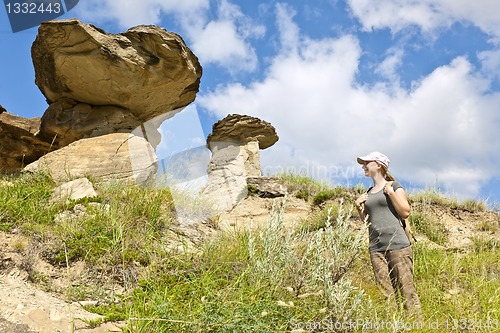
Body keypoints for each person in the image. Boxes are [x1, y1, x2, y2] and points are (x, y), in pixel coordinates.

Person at [355, 152, 423, 320]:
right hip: (376, 249)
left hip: (398, 246)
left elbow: (405, 212)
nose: (363, 166)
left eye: (367, 163)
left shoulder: (394, 186)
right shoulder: (368, 192)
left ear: (378, 165)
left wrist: (391, 194)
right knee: (386, 295)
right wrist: (359, 207)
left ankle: (416, 327)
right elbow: (367, 222)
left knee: (407, 292)